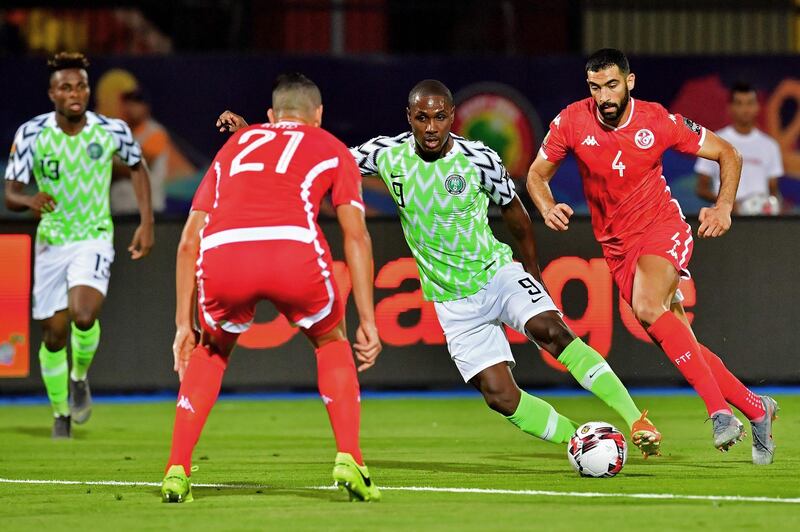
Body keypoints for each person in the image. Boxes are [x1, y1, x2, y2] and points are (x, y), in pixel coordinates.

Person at [216, 79, 662, 459]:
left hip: (496, 275)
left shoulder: (480, 159)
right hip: (451, 301)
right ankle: (578, 440)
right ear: (408, 117)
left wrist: (533, 272)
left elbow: (517, 218)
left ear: (453, 116)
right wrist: (258, 132)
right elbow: (321, 156)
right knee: (501, 397)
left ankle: (635, 418)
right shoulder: (386, 154)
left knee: (552, 331)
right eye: (421, 118)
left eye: (440, 117)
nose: (431, 128)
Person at [526, 48, 778, 464]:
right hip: (616, 248)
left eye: (611, 85)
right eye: (595, 87)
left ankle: (718, 412)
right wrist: (547, 205)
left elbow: (726, 153)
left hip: (662, 227)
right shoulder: (571, 120)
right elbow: (537, 174)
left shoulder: (658, 121)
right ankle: (755, 407)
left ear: (629, 82)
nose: (604, 97)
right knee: (678, 338)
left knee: (646, 307)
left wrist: (723, 206)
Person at [162, 73, 382, 503]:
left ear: (271, 115)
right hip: (292, 249)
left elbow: (189, 240)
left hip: (224, 252)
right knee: (330, 341)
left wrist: (182, 325)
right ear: (318, 114)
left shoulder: (234, 146)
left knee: (210, 350)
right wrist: (369, 319)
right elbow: (356, 236)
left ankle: (176, 468)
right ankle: (350, 457)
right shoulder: (333, 148)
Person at [3, 52, 154, 439]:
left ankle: (80, 376)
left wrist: (146, 222)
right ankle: (60, 413)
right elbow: (11, 193)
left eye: (82, 85)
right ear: (52, 93)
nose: (76, 93)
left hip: (94, 236)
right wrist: (29, 200)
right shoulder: (31, 133)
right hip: (51, 244)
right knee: (53, 336)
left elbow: (138, 166)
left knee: (84, 315)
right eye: (66, 87)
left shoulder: (111, 129)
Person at [695, 82, 784, 215]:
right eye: (739, 103)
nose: (745, 109)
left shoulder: (770, 145)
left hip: (761, 221)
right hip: (724, 218)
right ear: (730, 108)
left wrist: (775, 206)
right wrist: (728, 204)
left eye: (749, 103)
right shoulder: (715, 140)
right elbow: (701, 188)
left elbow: (773, 190)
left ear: (757, 107)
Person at [113, 87, 198, 214]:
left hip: (148, 207)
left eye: (136, 103)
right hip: (120, 206)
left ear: (146, 107)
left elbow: (138, 166)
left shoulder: (155, 132)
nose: (131, 108)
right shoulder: (121, 133)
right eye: (128, 103)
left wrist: (111, 167)